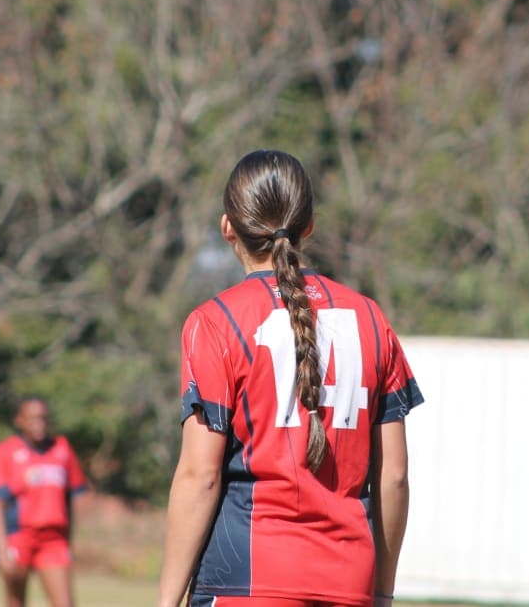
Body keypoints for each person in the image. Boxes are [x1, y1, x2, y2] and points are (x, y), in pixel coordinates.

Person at [157, 149, 424, 607]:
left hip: (245, 580)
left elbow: (200, 476)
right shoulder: (370, 318)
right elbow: (394, 476)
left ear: (227, 227)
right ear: (309, 226)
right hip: (350, 582)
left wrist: (166, 599)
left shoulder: (215, 321)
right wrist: (382, 590)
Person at [0, 397, 88, 607]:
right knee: (15, 601)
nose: (39, 423)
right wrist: (1, 549)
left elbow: (70, 500)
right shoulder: (5, 451)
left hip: (54, 540)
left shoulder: (62, 449)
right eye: (32, 418)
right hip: (19, 537)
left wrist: (69, 542)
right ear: (19, 421)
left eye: (43, 418)